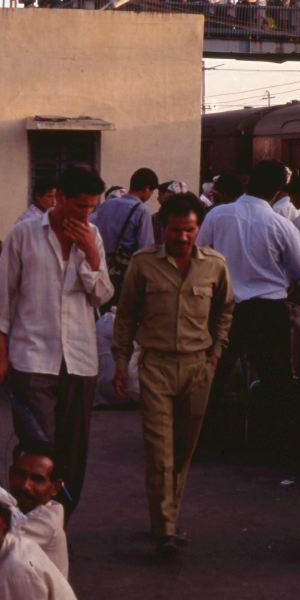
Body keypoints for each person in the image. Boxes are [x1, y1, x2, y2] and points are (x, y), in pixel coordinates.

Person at [114, 192, 234, 560]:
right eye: (176, 230)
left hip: (198, 368)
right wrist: (121, 365)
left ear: (198, 229)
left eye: (190, 230)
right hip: (157, 367)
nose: (183, 238)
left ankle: (168, 516)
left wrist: (215, 354)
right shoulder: (143, 265)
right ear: (163, 228)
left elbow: (225, 309)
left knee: (183, 451)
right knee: (159, 452)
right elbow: (126, 316)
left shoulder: (214, 264)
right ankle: (165, 528)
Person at [0, 165, 113, 514]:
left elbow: (101, 296)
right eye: (79, 207)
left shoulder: (93, 236)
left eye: (90, 208)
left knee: (73, 450)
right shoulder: (24, 234)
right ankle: (28, 520)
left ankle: (58, 525)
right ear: (59, 198)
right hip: (31, 358)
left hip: (79, 361)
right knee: (38, 448)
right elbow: (1, 300)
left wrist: (91, 252)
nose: (85, 214)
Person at [197, 159, 300, 450]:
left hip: (224, 307)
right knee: (277, 379)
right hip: (268, 311)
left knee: (213, 375)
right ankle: (278, 445)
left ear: (248, 182)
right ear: (278, 191)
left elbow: (200, 256)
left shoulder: (217, 216)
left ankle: (201, 441)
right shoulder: (282, 225)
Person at [90, 167, 157, 301]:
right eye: (152, 192)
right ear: (147, 189)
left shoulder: (106, 205)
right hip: (124, 274)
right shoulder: (142, 210)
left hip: (100, 268)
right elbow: (145, 248)